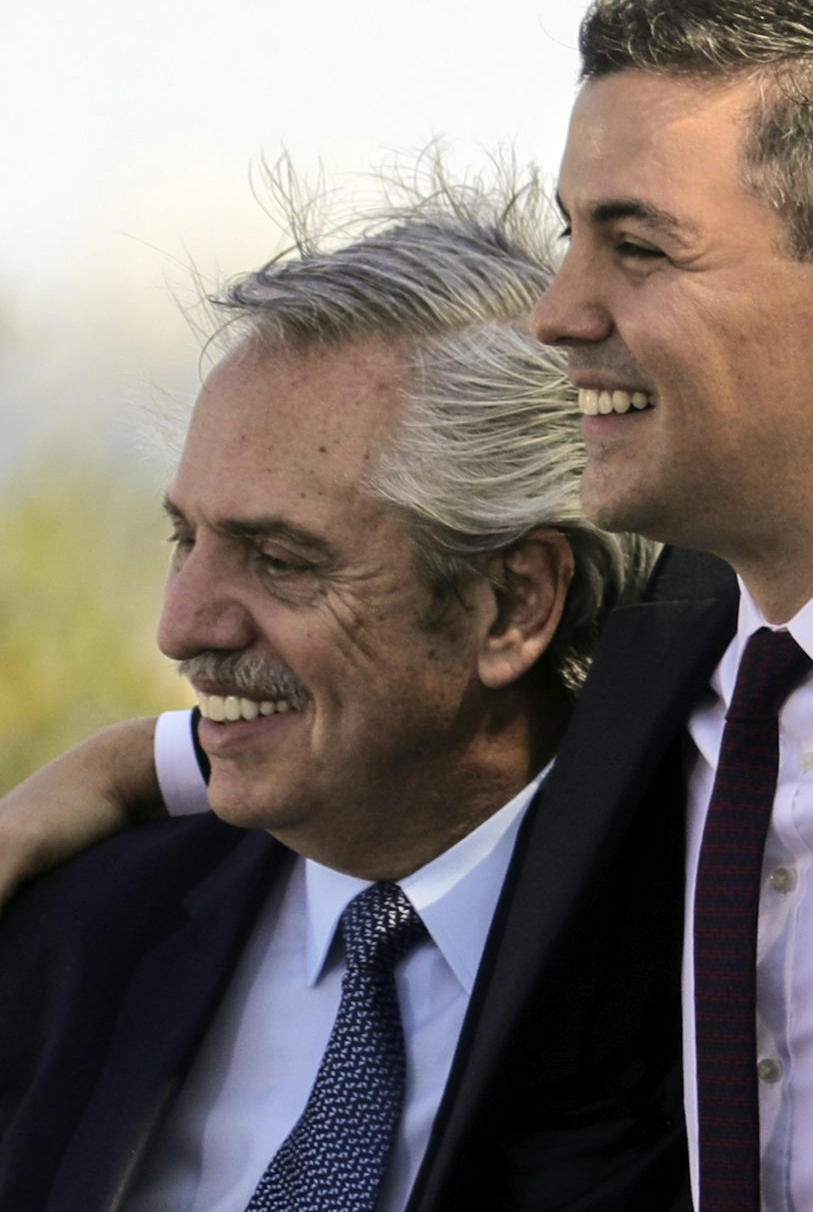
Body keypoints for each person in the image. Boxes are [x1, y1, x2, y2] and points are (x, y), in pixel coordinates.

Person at [1, 0, 813, 1211]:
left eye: (640, 247)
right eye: (571, 235)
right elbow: (395, 725)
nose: (559, 310)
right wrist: (121, 767)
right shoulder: (663, 666)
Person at [0, 171, 654, 1211]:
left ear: (512, 603)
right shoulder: (72, 937)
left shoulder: (717, 982)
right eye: (186, 538)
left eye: (281, 558)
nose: (185, 625)